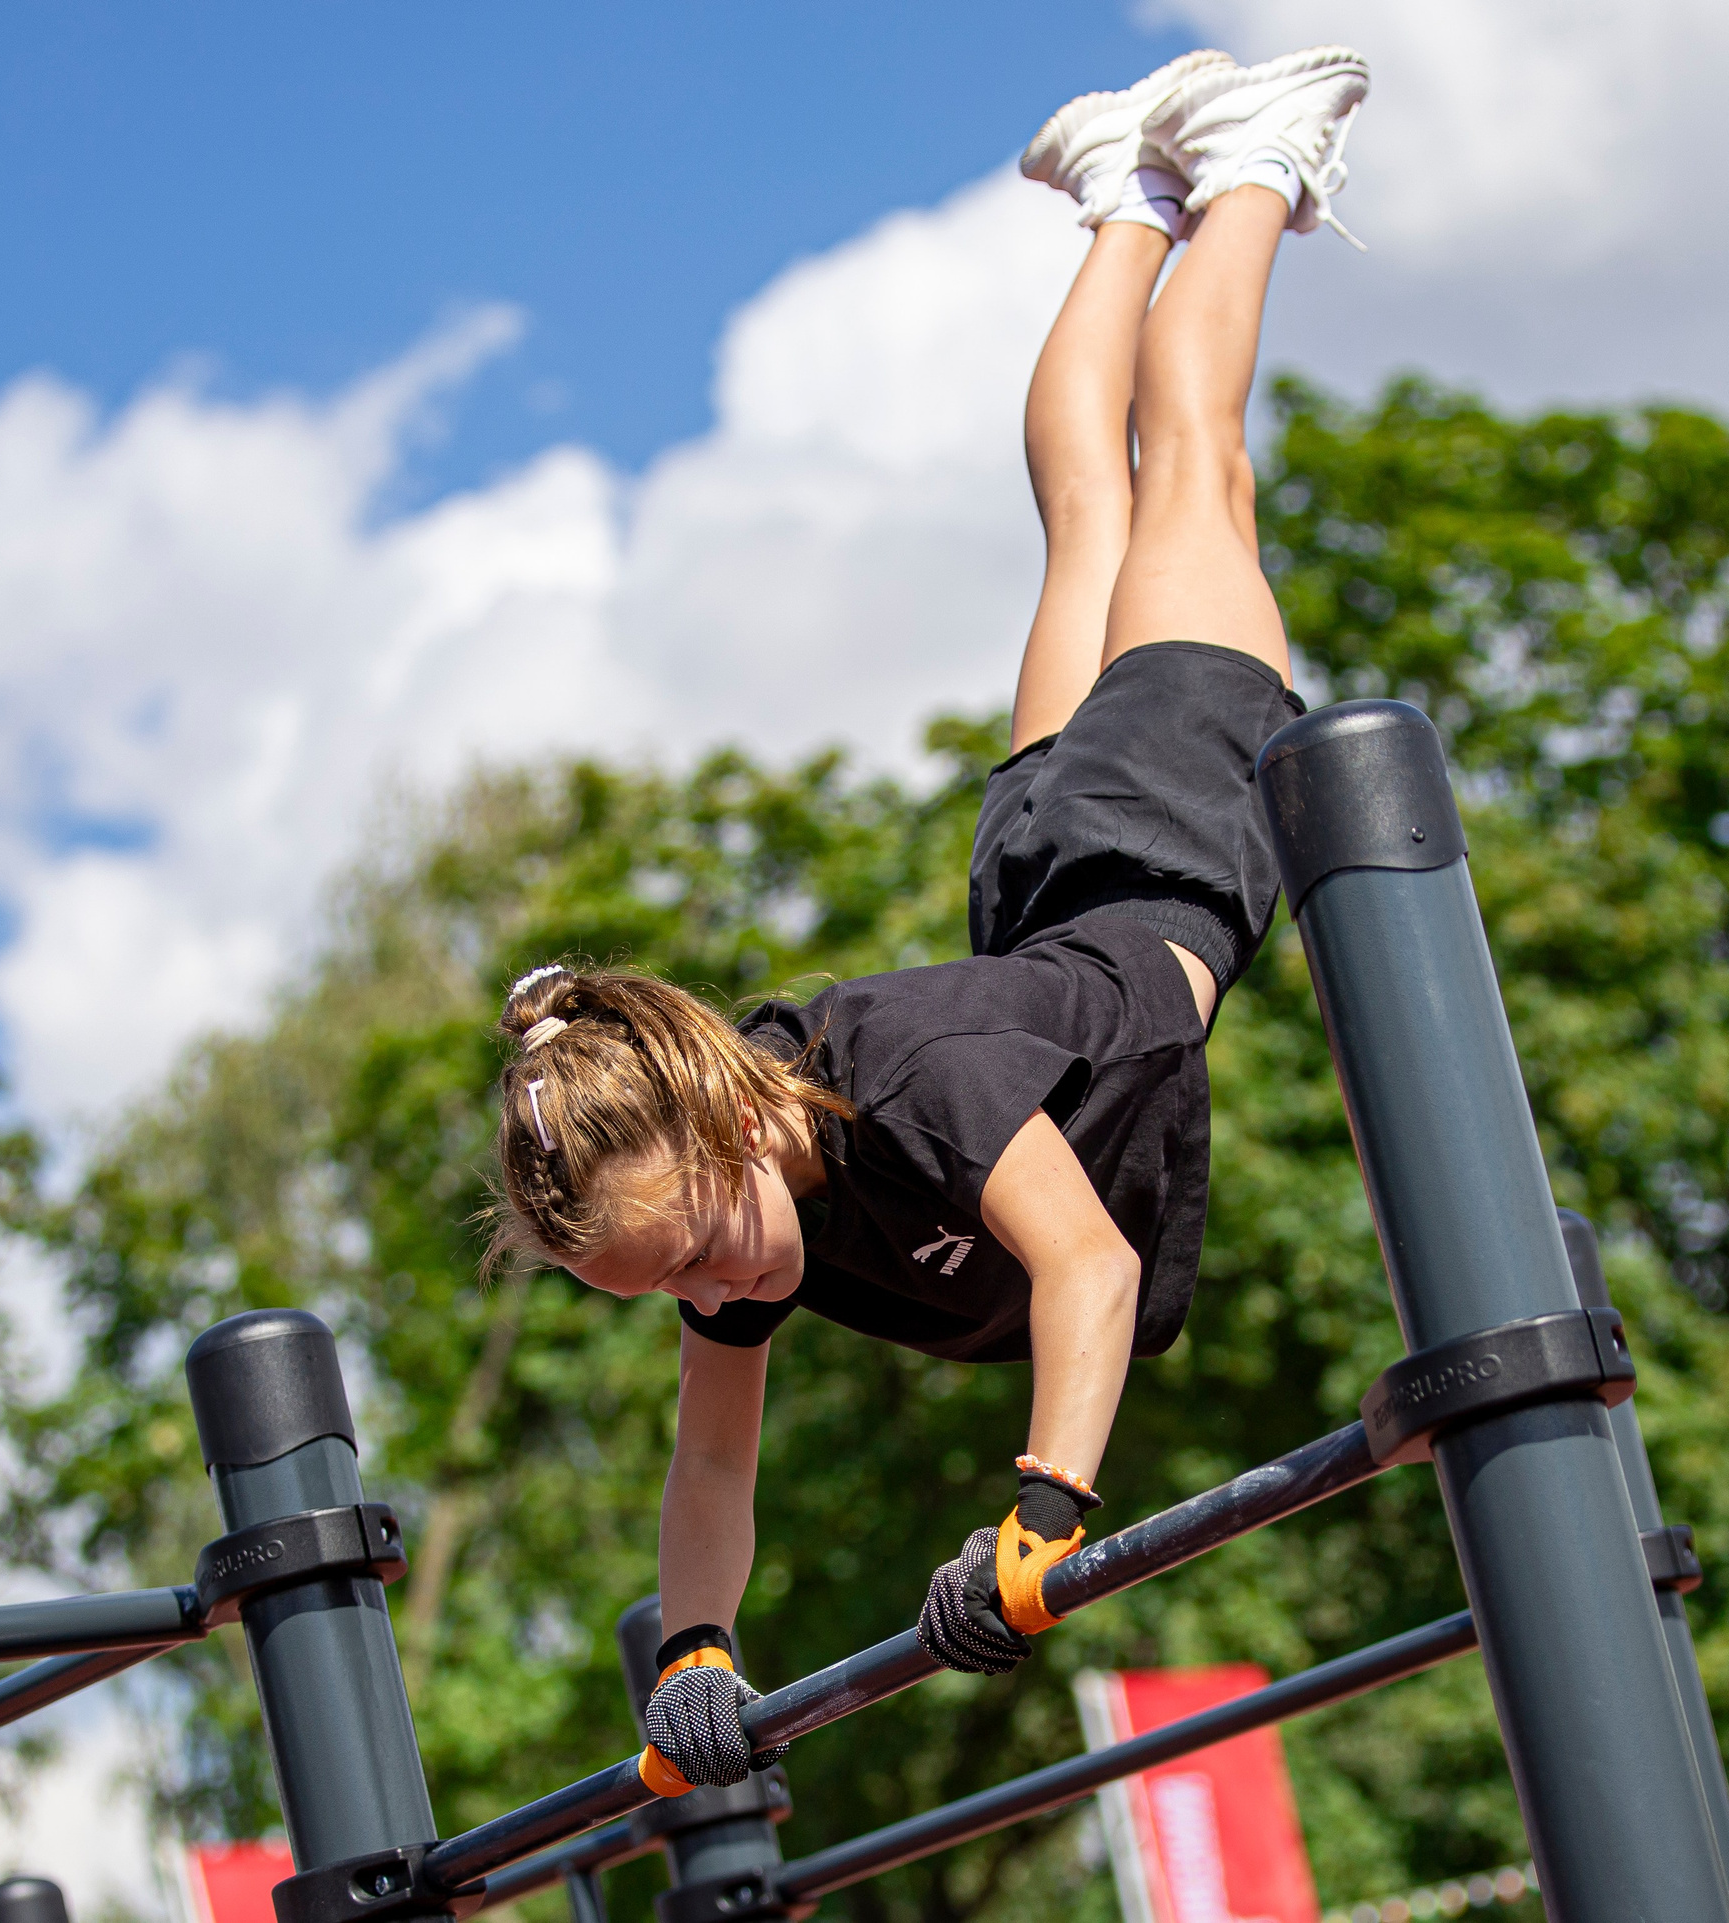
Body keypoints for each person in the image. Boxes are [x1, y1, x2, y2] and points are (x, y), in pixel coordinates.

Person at [480, 43, 1369, 1796]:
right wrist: (697, 1649)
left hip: (1150, 837)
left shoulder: (910, 1089)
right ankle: (1122, 196)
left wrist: (1045, 1511)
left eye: (700, 1247)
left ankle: (1253, 165)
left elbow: (1090, 1267)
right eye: (674, 1285)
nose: (719, 1290)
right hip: (1040, 882)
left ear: (726, 1111)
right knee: (1086, 514)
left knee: (1193, 471)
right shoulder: (739, 1192)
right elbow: (710, 1470)